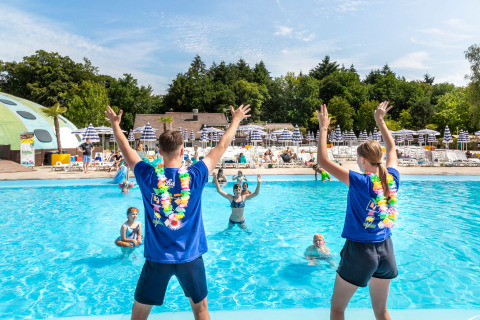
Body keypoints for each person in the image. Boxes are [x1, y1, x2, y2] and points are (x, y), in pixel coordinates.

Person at [105, 103, 251, 320]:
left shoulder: (147, 176)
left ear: (159, 152)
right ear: (183, 151)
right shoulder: (195, 175)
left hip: (157, 259)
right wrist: (236, 120)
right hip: (190, 258)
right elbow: (221, 146)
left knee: (139, 313)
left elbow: (128, 152)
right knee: (201, 310)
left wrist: (116, 127)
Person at [316, 101, 399, 320]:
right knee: (380, 311)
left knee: (337, 308)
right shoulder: (392, 180)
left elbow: (322, 161)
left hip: (361, 252)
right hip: (386, 250)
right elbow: (392, 149)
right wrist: (380, 121)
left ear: (362, 160)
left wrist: (323, 128)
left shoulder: (360, 181)